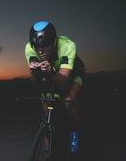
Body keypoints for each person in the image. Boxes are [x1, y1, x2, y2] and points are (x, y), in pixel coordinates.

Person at [25, 20, 85, 153]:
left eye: (45, 45)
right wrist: (34, 72)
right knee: (46, 101)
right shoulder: (29, 47)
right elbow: (35, 82)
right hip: (51, 71)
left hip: (72, 72)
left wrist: (51, 71)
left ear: (54, 41)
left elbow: (63, 80)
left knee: (68, 101)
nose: (40, 50)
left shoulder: (67, 46)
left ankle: (75, 132)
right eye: (37, 46)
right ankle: (48, 146)